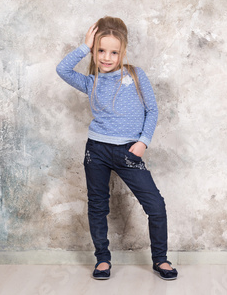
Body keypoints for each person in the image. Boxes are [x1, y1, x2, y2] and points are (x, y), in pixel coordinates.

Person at [56, 16, 177, 281]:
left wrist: (143, 141)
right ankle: (102, 259)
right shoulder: (91, 81)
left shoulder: (135, 75)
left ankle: (161, 259)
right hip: (96, 151)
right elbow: (62, 70)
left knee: (155, 205)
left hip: (128, 152)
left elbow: (151, 110)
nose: (107, 57)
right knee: (98, 205)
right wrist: (84, 47)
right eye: (101, 50)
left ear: (123, 51)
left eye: (113, 51)